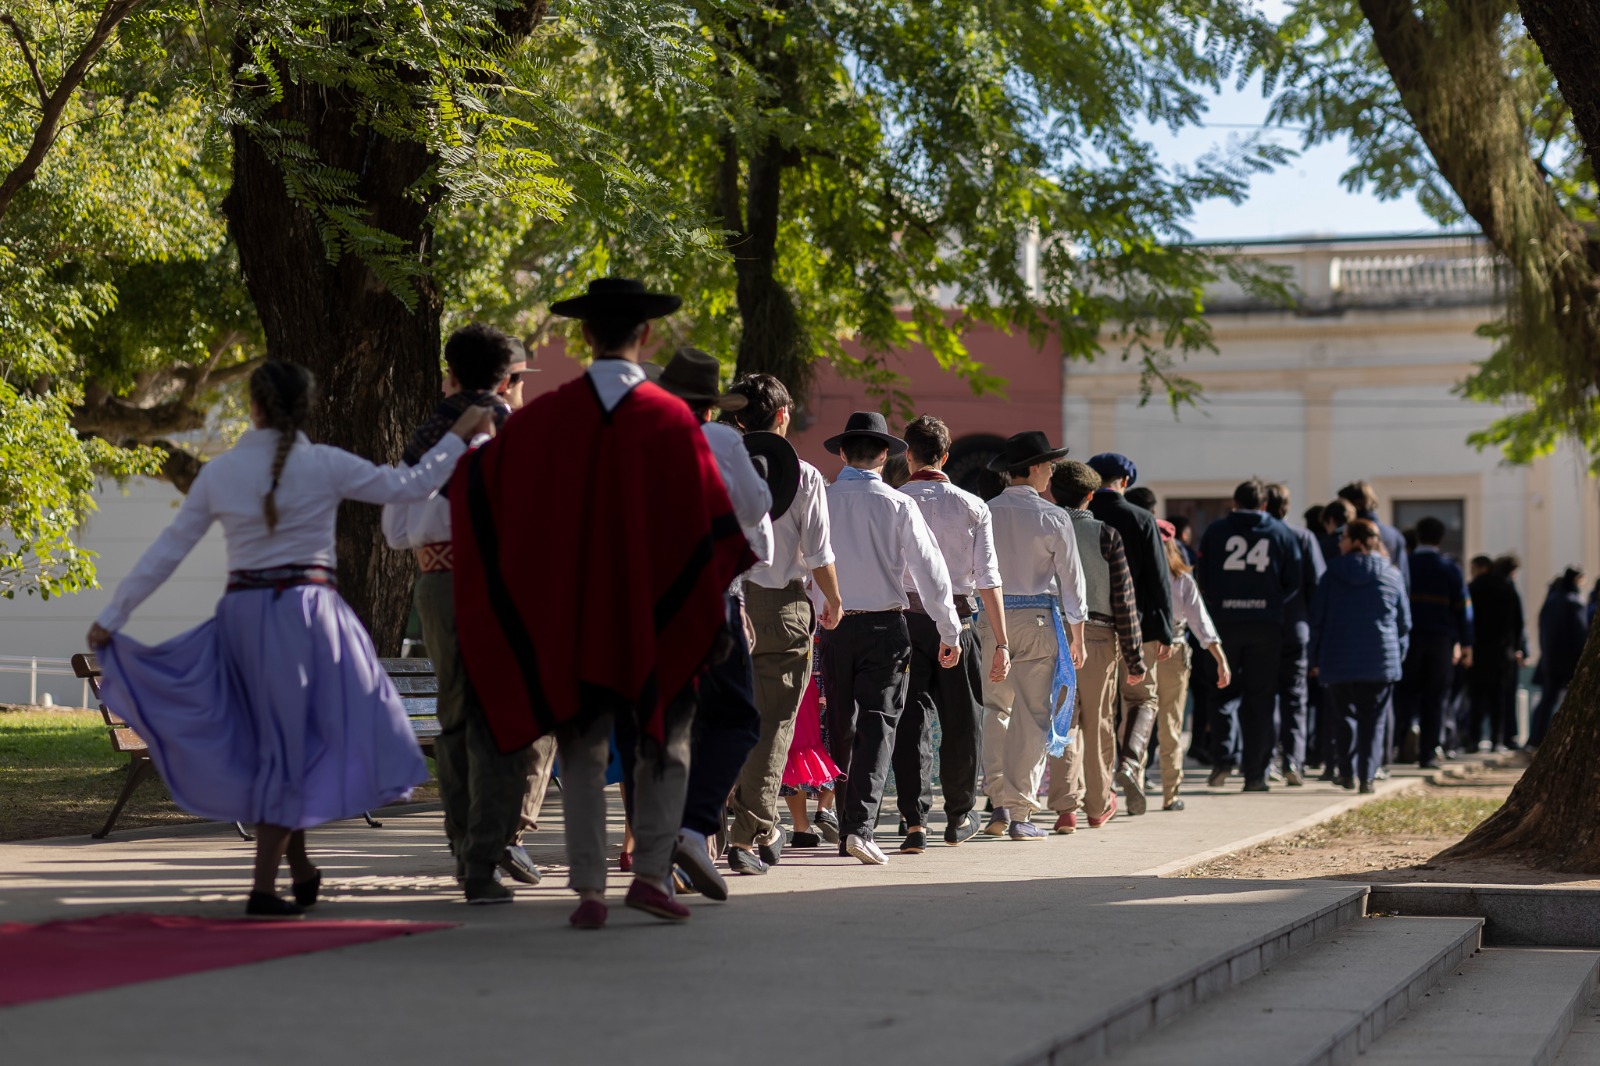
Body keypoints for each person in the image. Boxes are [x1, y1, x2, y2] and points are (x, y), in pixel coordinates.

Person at [88, 360, 491, 918]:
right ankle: (262, 888)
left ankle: (298, 868)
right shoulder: (324, 463)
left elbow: (169, 549)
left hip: (244, 617)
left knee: (275, 746)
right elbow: (411, 486)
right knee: (292, 747)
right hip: (308, 615)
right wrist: (457, 435)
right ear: (305, 409)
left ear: (253, 407)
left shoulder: (223, 472)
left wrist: (115, 613)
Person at [451, 277, 755, 929]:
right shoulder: (673, 419)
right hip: (659, 613)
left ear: (586, 334)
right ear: (646, 334)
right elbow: (708, 525)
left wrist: (466, 441)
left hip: (576, 617)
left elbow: (484, 488)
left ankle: (589, 890)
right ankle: (651, 875)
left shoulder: (545, 417)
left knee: (583, 750)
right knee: (667, 744)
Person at [382, 323, 542, 903]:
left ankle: (465, 850)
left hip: (438, 582)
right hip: (505, 586)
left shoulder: (426, 439)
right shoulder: (517, 436)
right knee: (507, 721)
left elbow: (395, 531)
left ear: (449, 375)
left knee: (454, 720)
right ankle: (484, 854)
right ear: (505, 381)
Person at [651, 348, 774, 896]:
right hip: (706, 595)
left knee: (662, 723)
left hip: (643, 599)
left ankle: (657, 850)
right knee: (735, 717)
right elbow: (756, 505)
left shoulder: (638, 437)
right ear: (710, 404)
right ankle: (694, 827)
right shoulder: (722, 441)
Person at [819, 411, 961, 865]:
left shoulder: (822, 499)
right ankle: (859, 827)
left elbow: (807, 562)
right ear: (885, 455)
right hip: (885, 625)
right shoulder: (899, 505)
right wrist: (949, 629)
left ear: (843, 453)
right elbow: (931, 572)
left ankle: (849, 824)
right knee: (878, 724)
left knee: (840, 724)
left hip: (833, 624)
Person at [724, 373, 843, 869]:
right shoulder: (805, 475)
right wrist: (833, 599)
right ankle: (748, 832)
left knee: (723, 716)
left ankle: (720, 823)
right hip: (782, 608)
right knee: (774, 723)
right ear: (782, 415)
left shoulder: (717, 465)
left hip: (721, 600)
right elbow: (818, 553)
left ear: (738, 419)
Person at [891, 415, 1009, 850]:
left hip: (903, 621)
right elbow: (988, 578)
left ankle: (914, 820)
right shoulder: (973, 506)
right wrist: (1002, 642)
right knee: (963, 720)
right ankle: (959, 815)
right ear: (945, 456)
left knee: (910, 721)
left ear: (908, 454)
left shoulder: (893, 501)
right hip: (958, 619)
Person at [980, 432, 1087, 838]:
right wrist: (1077, 636)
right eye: (1050, 465)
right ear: (1036, 467)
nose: (1052, 473)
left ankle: (998, 804)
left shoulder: (986, 511)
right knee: (1033, 713)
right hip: (1037, 619)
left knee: (995, 708)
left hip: (991, 618)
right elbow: (1073, 583)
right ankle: (1019, 809)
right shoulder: (1053, 516)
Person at [1045, 460, 1142, 831]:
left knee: (1064, 720)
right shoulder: (1106, 534)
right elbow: (1124, 601)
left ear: (1054, 493)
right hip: (1099, 635)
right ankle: (1099, 804)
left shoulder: (1046, 527)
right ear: (1091, 495)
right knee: (1099, 721)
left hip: (1055, 632)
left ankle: (1064, 807)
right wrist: (1134, 657)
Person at [1197, 478, 1302, 792]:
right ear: (1265, 505)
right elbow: (1293, 580)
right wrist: (1270, 602)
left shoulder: (1216, 531)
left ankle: (1223, 760)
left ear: (1235, 502)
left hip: (1225, 624)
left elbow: (1203, 576)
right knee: (1261, 699)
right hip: (1265, 626)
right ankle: (1255, 774)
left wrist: (1221, 603)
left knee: (1222, 692)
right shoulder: (1281, 532)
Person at [1086, 452, 1173, 814]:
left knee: (1100, 709)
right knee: (1141, 699)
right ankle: (1130, 762)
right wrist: (1165, 629)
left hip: (1089, 624)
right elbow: (1158, 578)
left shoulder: (1082, 515)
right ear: (1124, 481)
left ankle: (1099, 787)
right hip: (1139, 626)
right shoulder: (1141, 518)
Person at [1310, 518, 1411, 792]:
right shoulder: (1392, 575)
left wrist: (1314, 657)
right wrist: (1398, 655)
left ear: (1355, 541)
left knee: (1343, 718)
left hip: (1337, 657)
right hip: (1380, 659)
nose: (1339, 543)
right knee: (1373, 720)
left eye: (1343, 538)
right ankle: (1367, 776)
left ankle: (1346, 772)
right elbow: (1403, 623)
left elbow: (1317, 619)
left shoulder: (1331, 574)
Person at [1155, 521, 1230, 810]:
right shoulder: (1182, 579)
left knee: (1134, 719)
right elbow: (1201, 622)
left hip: (1136, 650)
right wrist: (1220, 659)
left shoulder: (1133, 575)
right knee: (1171, 723)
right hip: (1174, 650)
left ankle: (1131, 771)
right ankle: (1170, 793)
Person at [1265, 483, 1325, 786]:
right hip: (1295, 627)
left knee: (1264, 696)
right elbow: (1317, 585)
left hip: (1263, 627)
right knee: (1294, 697)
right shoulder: (1303, 537)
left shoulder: (1260, 536)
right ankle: (1292, 761)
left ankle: (1264, 761)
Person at [1402, 517, 1473, 768]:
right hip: (1441, 639)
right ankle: (1428, 752)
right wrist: (1466, 643)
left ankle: (1402, 741)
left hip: (1409, 637)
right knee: (1436, 696)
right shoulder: (1450, 568)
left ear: (1417, 536)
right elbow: (1464, 608)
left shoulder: (1405, 565)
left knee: (1405, 691)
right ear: (1441, 538)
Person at [1530, 566, 1587, 748]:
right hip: (1568, 661)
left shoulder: (1551, 600)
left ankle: (1536, 737)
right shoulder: (1574, 602)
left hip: (1549, 659)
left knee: (1547, 700)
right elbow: (1580, 634)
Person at [1336, 481, 1410, 589]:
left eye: (1344, 507)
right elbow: (1403, 578)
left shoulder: (1345, 536)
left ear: (1356, 505)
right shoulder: (1394, 535)